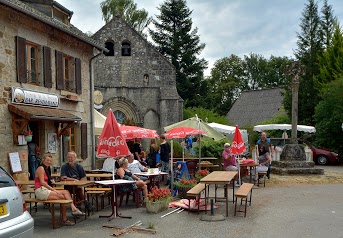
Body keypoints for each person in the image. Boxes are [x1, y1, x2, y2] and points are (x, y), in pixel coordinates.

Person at [35, 152, 85, 225]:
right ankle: (65, 219)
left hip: (45, 189)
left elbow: (48, 180)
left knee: (66, 192)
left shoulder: (47, 169)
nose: (49, 162)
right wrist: (54, 190)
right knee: (63, 198)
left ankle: (73, 208)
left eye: (50, 161)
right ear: (43, 160)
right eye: (47, 160)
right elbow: (42, 183)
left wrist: (52, 181)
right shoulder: (41, 168)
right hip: (41, 190)